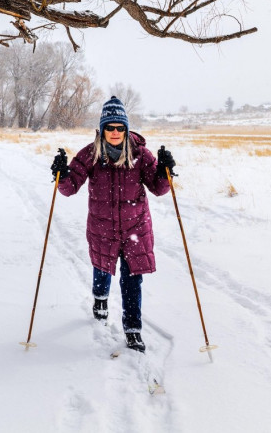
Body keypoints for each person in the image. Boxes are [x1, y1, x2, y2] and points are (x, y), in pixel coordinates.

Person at [49, 96, 176, 353]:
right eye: (110, 127)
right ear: (103, 129)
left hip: (135, 229)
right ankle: (100, 300)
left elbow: (159, 188)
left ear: (126, 129)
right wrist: (61, 175)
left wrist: (165, 171)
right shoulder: (91, 154)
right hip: (102, 228)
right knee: (102, 268)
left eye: (120, 127)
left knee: (132, 280)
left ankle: (132, 330)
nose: (115, 132)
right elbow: (69, 188)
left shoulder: (140, 154)